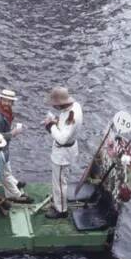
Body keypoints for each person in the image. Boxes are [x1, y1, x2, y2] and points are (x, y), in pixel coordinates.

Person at [0, 88, 32, 203]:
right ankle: (15, 195)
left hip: (3, 148)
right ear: (0, 99)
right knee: (5, 173)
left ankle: (14, 183)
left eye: (9, 101)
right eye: (5, 101)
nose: (7, 103)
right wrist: (12, 133)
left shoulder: (5, 113)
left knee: (6, 168)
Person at [43, 86, 83, 219]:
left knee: (60, 182)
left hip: (63, 153)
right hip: (68, 149)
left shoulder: (72, 116)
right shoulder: (75, 106)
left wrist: (51, 126)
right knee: (61, 180)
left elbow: (62, 138)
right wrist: (56, 121)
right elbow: (66, 126)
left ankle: (61, 210)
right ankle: (58, 203)